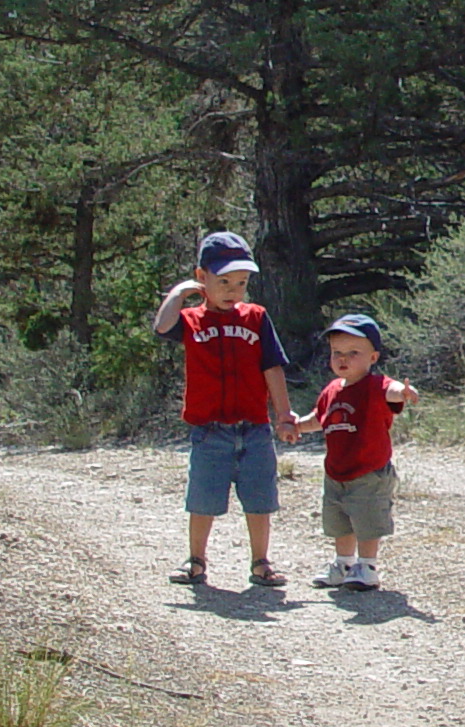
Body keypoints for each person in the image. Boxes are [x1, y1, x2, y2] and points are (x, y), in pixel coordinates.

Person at [152, 230, 300, 589]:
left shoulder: (256, 317)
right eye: (224, 281)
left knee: (260, 498)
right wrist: (181, 292)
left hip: (254, 428)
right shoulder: (190, 321)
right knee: (203, 498)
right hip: (210, 430)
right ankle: (196, 560)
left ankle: (261, 562)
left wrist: (284, 414)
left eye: (242, 282)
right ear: (203, 277)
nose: (234, 290)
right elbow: (161, 327)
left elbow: (272, 367)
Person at [294, 313, 418, 592]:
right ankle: (344, 564)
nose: (343, 359)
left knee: (367, 519)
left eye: (353, 353)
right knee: (340, 520)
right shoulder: (331, 390)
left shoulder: (376, 385)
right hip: (337, 471)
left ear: (372, 358)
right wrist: (298, 426)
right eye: (337, 352)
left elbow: (393, 390)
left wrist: (406, 392)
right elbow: (320, 417)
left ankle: (368, 566)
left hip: (369, 471)